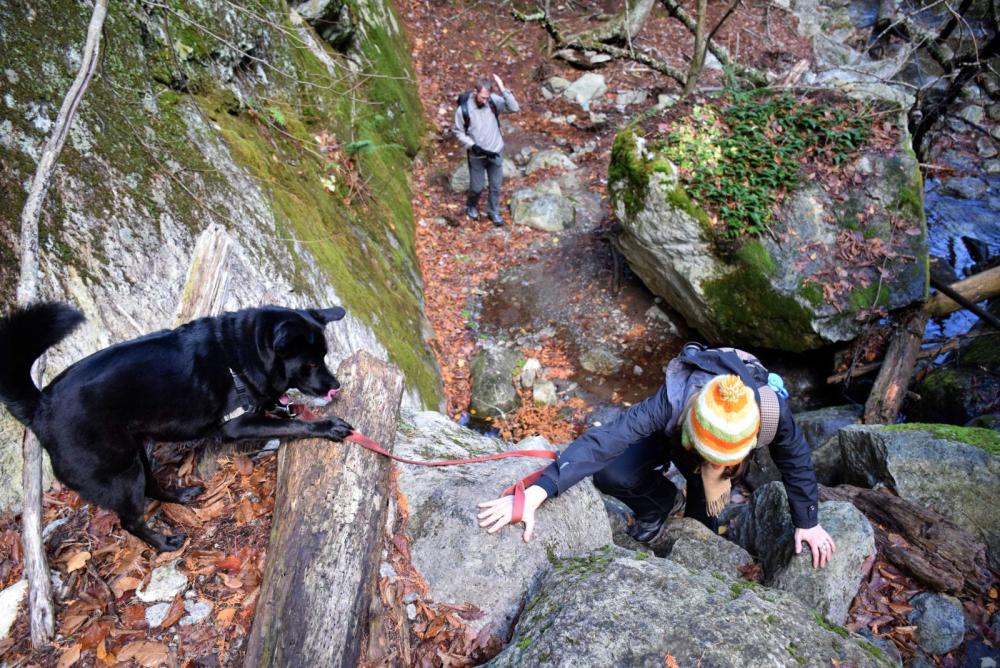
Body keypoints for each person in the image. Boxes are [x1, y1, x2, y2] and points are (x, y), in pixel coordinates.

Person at [477, 344, 838, 569]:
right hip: (676, 439)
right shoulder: (671, 400)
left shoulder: (772, 413)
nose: (712, 460)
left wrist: (807, 521)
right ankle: (662, 502)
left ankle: (700, 508)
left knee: (702, 525)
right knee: (610, 473)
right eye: (709, 454)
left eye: (721, 457)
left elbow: (797, 461)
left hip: (714, 463)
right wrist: (539, 491)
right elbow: (606, 439)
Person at [453, 74, 520, 226]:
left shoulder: (492, 101)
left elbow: (514, 108)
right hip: (477, 154)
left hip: (496, 150)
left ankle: (493, 212)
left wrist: (503, 89)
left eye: (487, 97)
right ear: (475, 91)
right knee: (477, 187)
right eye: (482, 97)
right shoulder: (463, 109)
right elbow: (458, 132)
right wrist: (472, 145)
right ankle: (471, 206)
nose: (485, 100)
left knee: (495, 186)